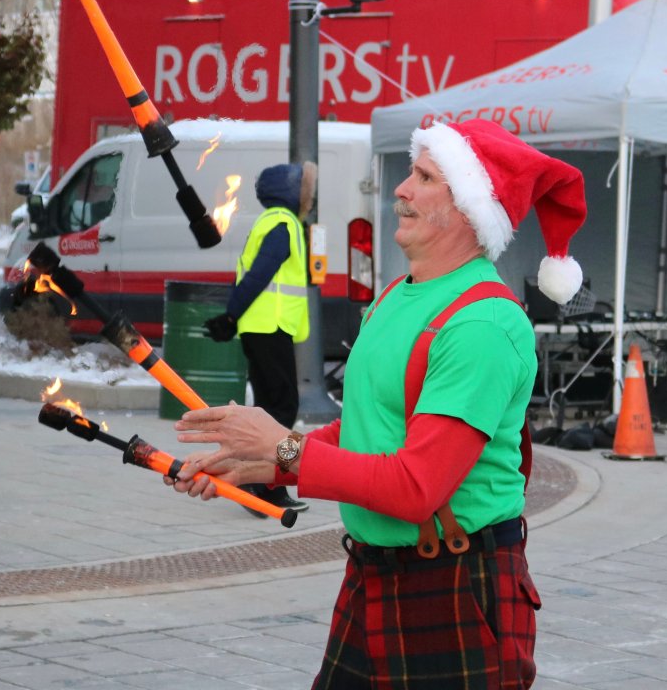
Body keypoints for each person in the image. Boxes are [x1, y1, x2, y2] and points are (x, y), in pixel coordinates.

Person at [171, 119, 587, 689]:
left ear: (469, 206)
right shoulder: (396, 296)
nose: (401, 189)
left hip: (455, 587)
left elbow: (417, 487)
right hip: (372, 578)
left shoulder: (483, 323)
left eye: (424, 177)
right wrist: (251, 461)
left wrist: (286, 446)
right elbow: (366, 428)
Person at [202, 161, 317, 516]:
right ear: (292, 194)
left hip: (262, 327)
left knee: (269, 409)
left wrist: (233, 316)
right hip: (270, 327)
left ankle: (260, 484)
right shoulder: (284, 225)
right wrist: (231, 315)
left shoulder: (269, 222)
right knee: (283, 411)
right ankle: (267, 487)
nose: (309, 198)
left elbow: (251, 276)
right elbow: (259, 274)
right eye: (305, 191)